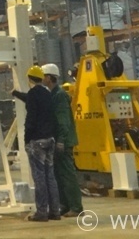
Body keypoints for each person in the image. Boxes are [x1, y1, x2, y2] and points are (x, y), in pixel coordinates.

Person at [11, 64, 61, 222]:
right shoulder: (47, 93)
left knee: (39, 178)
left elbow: (30, 118)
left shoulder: (33, 94)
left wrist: (26, 140)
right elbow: (31, 99)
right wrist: (16, 93)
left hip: (37, 142)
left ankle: (41, 212)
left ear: (29, 79)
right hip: (49, 140)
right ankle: (55, 211)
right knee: (50, 177)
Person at [41, 63, 84, 218]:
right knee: (59, 175)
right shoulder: (52, 94)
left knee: (67, 175)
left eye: (43, 76)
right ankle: (65, 205)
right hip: (57, 140)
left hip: (63, 142)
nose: (41, 79)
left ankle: (77, 207)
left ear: (49, 77)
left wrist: (61, 140)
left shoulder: (59, 95)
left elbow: (63, 121)